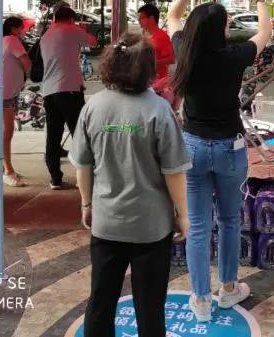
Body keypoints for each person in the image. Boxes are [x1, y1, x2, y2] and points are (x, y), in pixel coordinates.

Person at [168, 0, 272, 322]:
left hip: (192, 147)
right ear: (219, 29)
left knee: (197, 225)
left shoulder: (184, 51)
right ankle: (228, 289)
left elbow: (172, 14)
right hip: (230, 148)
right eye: (226, 23)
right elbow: (265, 31)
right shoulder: (234, 57)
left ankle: (200, 300)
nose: (229, 27)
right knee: (229, 219)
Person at [71, 32, 191, 337]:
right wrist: (182, 213)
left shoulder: (93, 107)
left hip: (106, 223)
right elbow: (174, 172)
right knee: (150, 306)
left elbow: (83, 165)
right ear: (148, 67)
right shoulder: (159, 110)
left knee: (101, 301)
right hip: (151, 227)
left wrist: (87, 204)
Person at [40, 5, 96, 190]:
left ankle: (55, 178)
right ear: (71, 19)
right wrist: (83, 30)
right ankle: (85, 175)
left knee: (53, 136)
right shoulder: (72, 30)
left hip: (49, 91)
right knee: (79, 134)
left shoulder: (46, 35)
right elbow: (93, 42)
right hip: (70, 90)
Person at [1, 16, 31, 187]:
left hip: (6, 91)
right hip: (6, 93)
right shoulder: (12, 40)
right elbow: (26, 62)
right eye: (21, 28)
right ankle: (8, 171)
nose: (22, 31)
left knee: (5, 133)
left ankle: (6, 167)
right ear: (13, 29)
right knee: (7, 133)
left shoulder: (2, 40)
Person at [137, 3, 175, 81]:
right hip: (144, 79)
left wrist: (152, 63)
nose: (139, 21)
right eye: (138, 18)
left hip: (157, 81)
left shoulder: (162, 36)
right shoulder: (142, 34)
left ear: (151, 18)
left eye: (142, 18)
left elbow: (171, 59)